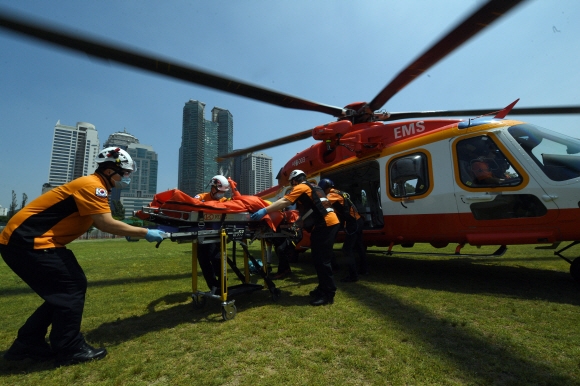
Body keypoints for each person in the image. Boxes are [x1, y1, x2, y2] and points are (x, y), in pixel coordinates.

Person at [0, 147, 165, 367]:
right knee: (71, 288)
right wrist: (145, 232)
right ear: (109, 171)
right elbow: (106, 223)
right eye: (124, 173)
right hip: (29, 242)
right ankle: (69, 348)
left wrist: (131, 230)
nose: (127, 178)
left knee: (63, 292)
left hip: (26, 242)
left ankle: (27, 344)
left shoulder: (94, 185)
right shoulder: (94, 187)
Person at [251, 169, 339, 306]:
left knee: (322, 260)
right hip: (327, 223)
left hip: (325, 224)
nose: (292, 187)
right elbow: (309, 211)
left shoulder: (302, 187)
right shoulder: (313, 187)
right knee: (318, 259)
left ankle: (328, 294)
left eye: (292, 184)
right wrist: (298, 224)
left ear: (295, 180)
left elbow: (285, 201)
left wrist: (265, 210)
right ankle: (322, 288)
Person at [193, 175, 237, 293]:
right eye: (219, 191)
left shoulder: (224, 201)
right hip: (201, 233)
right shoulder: (200, 197)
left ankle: (222, 283)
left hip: (217, 234)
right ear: (212, 187)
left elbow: (238, 201)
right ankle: (213, 285)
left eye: (223, 192)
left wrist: (233, 188)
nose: (221, 194)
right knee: (203, 260)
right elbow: (192, 207)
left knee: (216, 257)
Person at [318, 179, 367, 282]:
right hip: (357, 221)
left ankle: (353, 276)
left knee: (347, 249)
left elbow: (321, 204)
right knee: (359, 247)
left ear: (325, 188)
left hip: (353, 223)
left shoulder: (331, 195)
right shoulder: (340, 192)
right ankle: (364, 270)